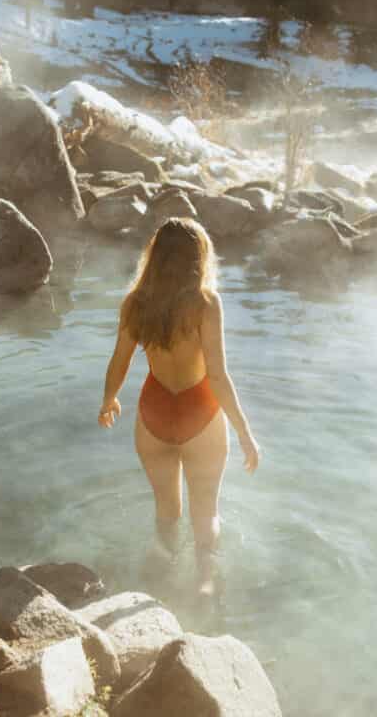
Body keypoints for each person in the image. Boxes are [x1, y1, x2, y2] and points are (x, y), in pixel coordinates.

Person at [99, 217, 261, 595]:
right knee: (206, 515)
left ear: (153, 258)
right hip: (199, 413)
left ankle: (157, 575)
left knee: (167, 512)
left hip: (153, 413)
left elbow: (119, 361)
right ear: (198, 258)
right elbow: (218, 377)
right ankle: (204, 582)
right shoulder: (206, 303)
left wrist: (108, 400)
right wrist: (245, 433)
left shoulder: (135, 303)